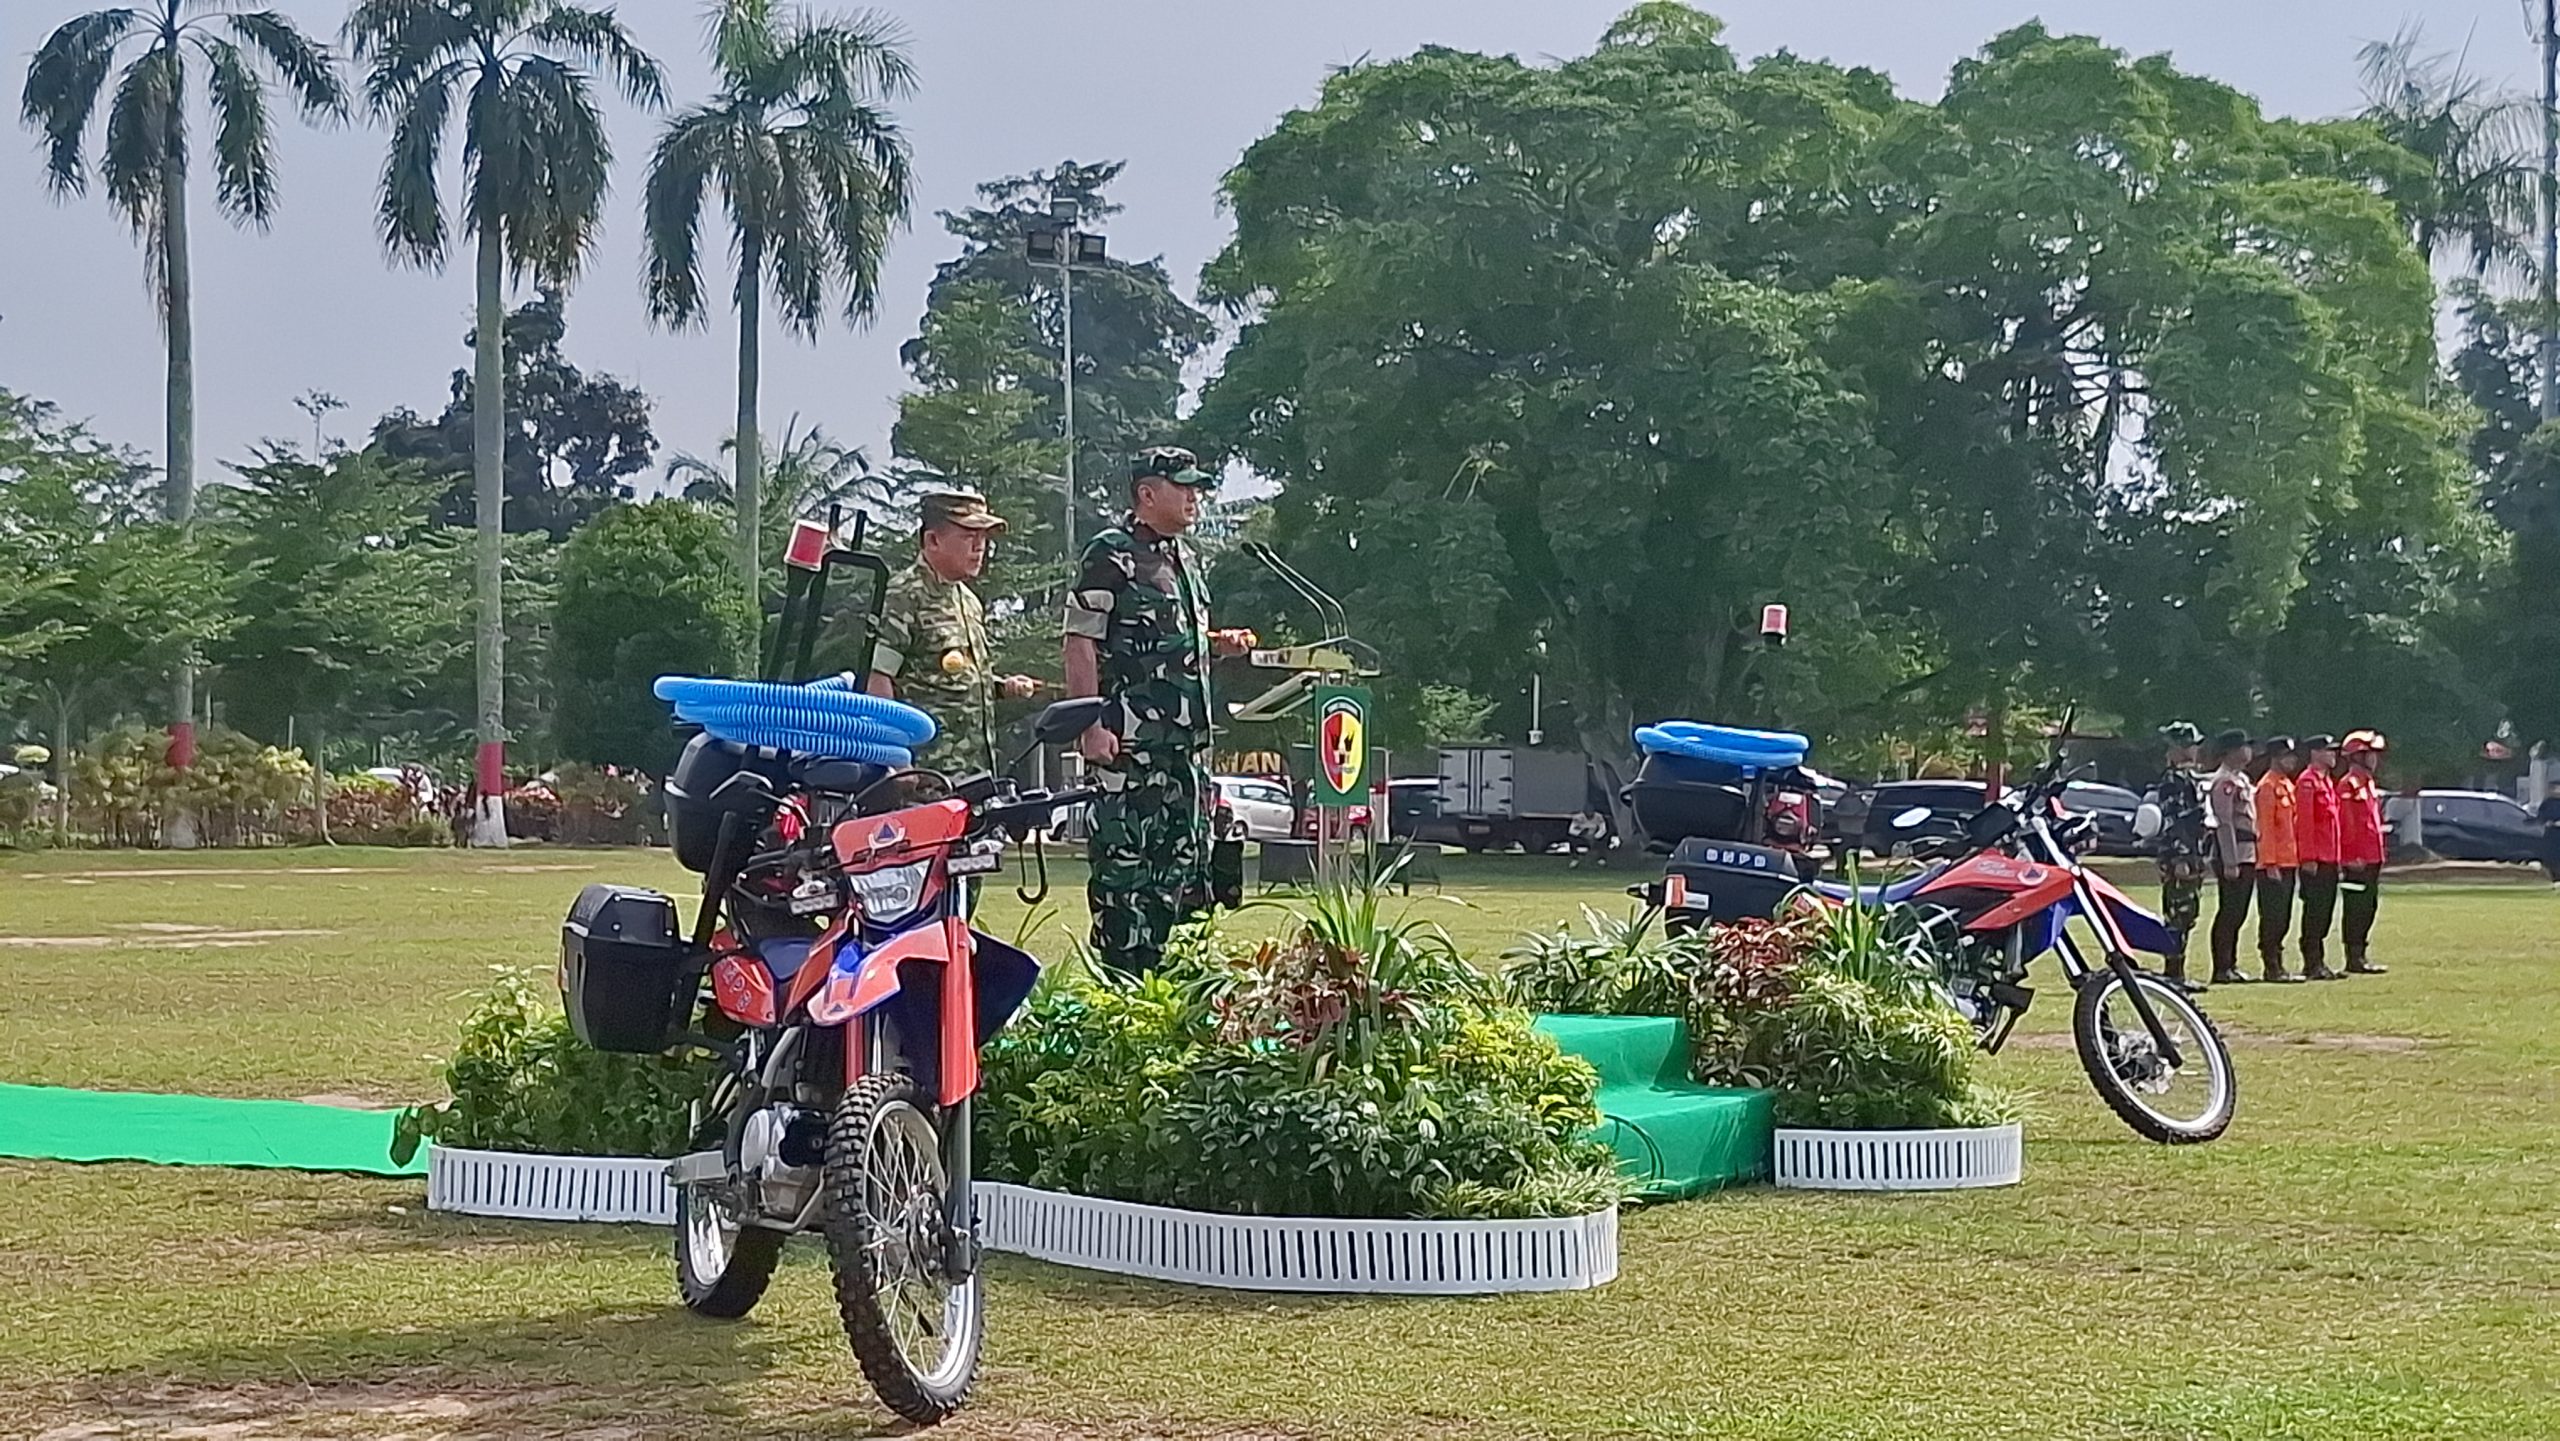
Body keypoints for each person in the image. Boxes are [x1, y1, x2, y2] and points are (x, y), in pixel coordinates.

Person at [1062, 446, 1254, 975]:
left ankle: (1177, 983)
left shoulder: (1184, 558)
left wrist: (1216, 643)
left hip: (1186, 749)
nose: (1196, 497)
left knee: (1187, 865)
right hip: (1131, 747)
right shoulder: (1112, 553)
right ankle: (1123, 982)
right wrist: (1089, 725)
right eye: (1183, 486)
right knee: (1128, 871)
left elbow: (1165, 639)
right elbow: (1080, 640)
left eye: (1198, 487)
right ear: (1147, 494)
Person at [855, 490, 1040, 775]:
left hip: (974, 770)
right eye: (969, 536)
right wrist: (896, 763)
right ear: (933, 540)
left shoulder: (968, 601)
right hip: (926, 773)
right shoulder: (903, 596)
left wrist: (1001, 687)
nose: (980, 548)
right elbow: (876, 680)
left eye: (984, 537)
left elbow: (947, 678)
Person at [2141, 721, 2210, 991]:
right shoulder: (2172, 781)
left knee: (2188, 913)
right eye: (2189, 745)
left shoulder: (2187, 778)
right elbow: (2174, 822)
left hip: (2192, 854)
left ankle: (2178, 972)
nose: (2194, 750)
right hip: (2180, 856)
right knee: (2177, 914)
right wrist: (2180, 858)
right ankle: (2173, 974)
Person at [2203, 730, 2260, 988]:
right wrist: (2230, 860)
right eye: (2243, 747)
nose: (2248, 752)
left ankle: (2232, 964)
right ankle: (2222, 966)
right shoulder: (2224, 782)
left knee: (2240, 912)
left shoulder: (2242, 780)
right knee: (2230, 911)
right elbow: (2224, 823)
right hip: (2233, 853)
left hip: (2248, 852)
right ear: (2231, 751)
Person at [2337, 730, 2391, 975]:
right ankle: (2353, 956)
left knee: (2369, 906)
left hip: (2372, 856)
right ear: (2357, 756)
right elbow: (2346, 824)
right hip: (2356, 858)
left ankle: (2361, 953)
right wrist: (2349, 855)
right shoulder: (2348, 785)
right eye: (2370, 754)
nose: (2375, 759)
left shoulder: (2367, 783)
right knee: (2356, 907)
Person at [2294, 735, 2345, 981]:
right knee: (2315, 911)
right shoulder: (2307, 782)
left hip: (2330, 857)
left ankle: (2319, 960)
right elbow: (2305, 824)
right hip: (2316, 859)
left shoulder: (2326, 782)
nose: (2332, 755)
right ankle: (2311, 961)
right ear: (2315, 753)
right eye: (2328, 751)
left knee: (2325, 911)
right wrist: (2308, 857)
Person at [2252, 736, 2303, 984]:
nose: (2291, 761)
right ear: (2275, 758)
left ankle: (2278, 963)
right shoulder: (2267, 787)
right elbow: (2266, 829)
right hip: (2274, 864)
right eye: (2286, 756)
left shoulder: (2287, 785)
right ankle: (2272, 965)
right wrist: (2269, 862)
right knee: (2272, 915)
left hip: (2289, 860)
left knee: (2284, 915)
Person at [2539, 781, 2560, 887]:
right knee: (2550, 857)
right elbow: (2541, 816)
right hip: (2551, 833)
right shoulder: (2548, 803)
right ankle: (2554, 877)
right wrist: (2547, 822)